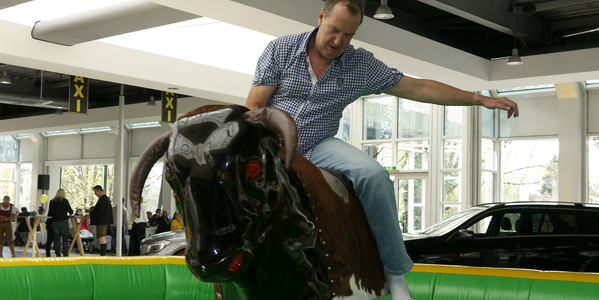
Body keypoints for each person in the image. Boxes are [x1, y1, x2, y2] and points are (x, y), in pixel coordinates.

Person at [244, 1, 519, 299]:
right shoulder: (281, 49)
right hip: (274, 143)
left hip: (320, 144)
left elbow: (419, 88)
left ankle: (395, 272)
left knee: (373, 175)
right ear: (321, 17)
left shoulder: (360, 65)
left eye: (348, 35)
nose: (338, 41)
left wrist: (479, 99)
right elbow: (255, 106)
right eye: (334, 30)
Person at [47, 189, 74, 257]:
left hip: (55, 223)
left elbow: (49, 213)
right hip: (64, 222)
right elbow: (71, 211)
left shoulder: (52, 201)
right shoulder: (65, 201)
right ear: (63, 194)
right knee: (65, 240)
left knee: (56, 240)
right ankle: (65, 255)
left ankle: (58, 255)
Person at [91, 185, 113, 256]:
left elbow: (100, 211)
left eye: (95, 192)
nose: (95, 194)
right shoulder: (104, 199)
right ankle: (102, 254)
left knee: (101, 237)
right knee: (102, 237)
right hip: (104, 221)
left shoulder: (103, 199)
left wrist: (92, 213)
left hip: (102, 221)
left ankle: (103, 254)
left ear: (99, 191)